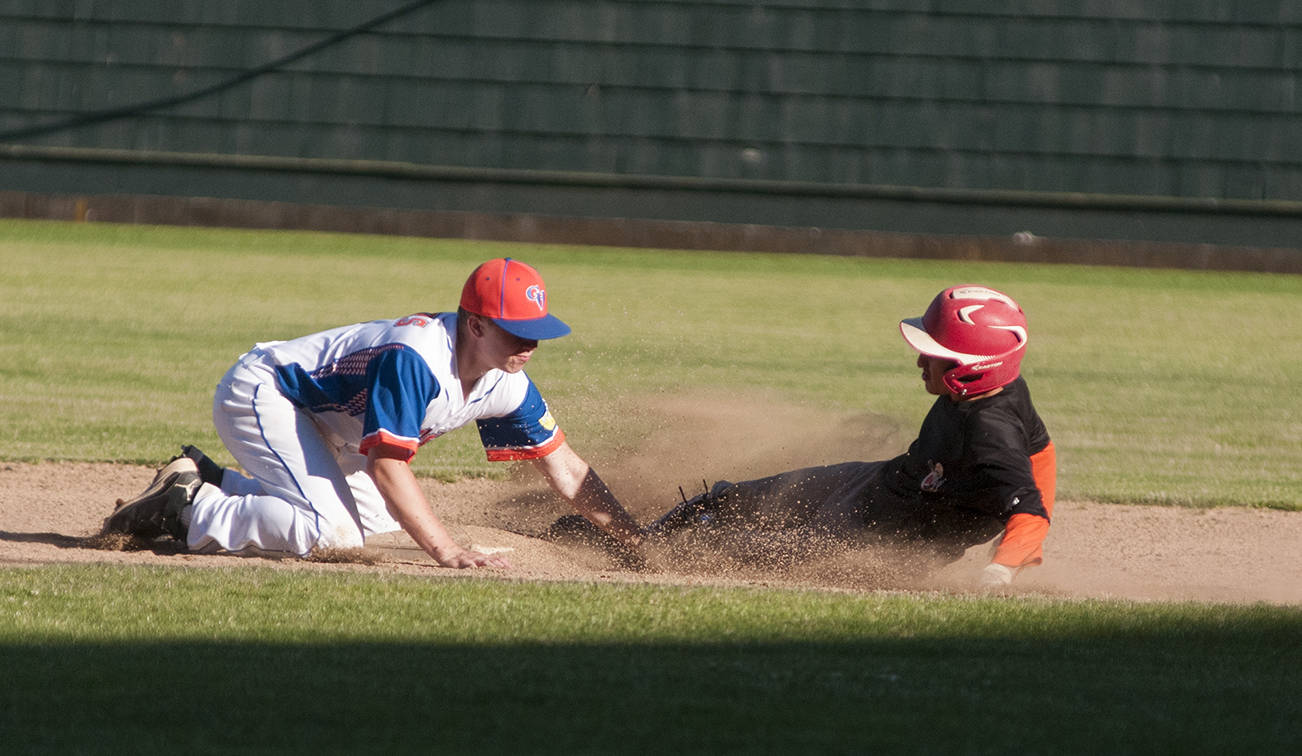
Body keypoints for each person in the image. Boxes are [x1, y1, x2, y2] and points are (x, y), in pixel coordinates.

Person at [104, 258, 645, 569]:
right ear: (475, 325)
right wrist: (448, 551)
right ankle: (186, 508)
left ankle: (210, 479)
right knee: (331, 536)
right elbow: (388, 467)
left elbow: (568, 471)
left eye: (536, 333)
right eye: (517, 331)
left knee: (376, 528)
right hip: (268, 392)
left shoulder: (506, 381)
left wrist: (633, 540)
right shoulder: (416, 360)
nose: (529, 344)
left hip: (330, 421)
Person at [642, 285, 1056, 586]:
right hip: (881, 481)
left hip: (890, 531)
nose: (919, 361)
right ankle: (646, 536)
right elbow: (1041, 452)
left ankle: (648, 555)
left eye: (933, 354)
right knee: (743, 496)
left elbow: (1030, 511)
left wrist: (999, 572)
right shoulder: (1000, 386)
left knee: (747, 548)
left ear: (969, 369)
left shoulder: (992, 430)